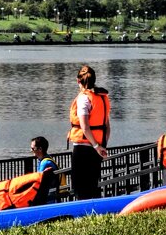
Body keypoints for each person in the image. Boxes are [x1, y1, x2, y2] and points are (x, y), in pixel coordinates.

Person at [68, 65, 111, 200]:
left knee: (79, 187)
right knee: (93, 185)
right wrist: (101, 146)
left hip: (82, 149)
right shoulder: (102, 98)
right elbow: (107, 127)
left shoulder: (83, 98)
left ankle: (81, 214)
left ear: (78, 81)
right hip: (97, 149)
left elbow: (85, 127)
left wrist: (96, 146)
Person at [31, 136, 60, 203]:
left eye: (33, 148)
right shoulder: (48, 159)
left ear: (40, 149)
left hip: (48, 196)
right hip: (52, 193)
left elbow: (39, 181)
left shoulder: (45, 163)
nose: (31, 150)